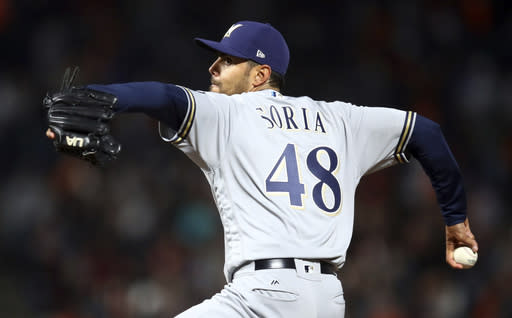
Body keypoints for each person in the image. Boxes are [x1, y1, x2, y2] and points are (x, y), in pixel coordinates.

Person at [46, 21, 479, 318]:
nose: (213, 68)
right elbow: (427, 133)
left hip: (263, 296)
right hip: (327, 299)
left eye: (228, 60)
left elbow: (163, 96)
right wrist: (455, 222)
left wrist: (95, 94)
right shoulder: (342, 120)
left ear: (260, 75)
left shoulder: (228, 113)